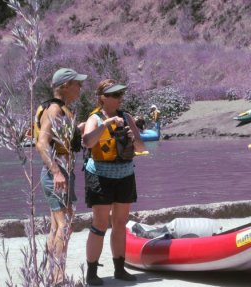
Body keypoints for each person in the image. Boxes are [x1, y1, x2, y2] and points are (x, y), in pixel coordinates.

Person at [82, 79, 145, 285]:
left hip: (125, 175)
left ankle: (119, 269)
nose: (120, 99)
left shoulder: (126, 116)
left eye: (120, 95)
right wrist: (106, 125)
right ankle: (91, 272)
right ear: (103, 98)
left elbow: (140, 147)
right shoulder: (95, 118)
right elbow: (87, 141)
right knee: (100, 223)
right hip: (100, 175)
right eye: (115, 95)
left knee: (120, 223)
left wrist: (132, 138)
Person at [35, 67, 87, 285]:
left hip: (62, 171)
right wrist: (57, 172)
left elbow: (60, 140)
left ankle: (51, 274)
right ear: (65, 86)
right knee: (65, 226)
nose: (80, 88)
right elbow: (42, 144)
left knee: (57, 226)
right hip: (57, 173)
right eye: (77, 84)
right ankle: (58, 277)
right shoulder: (55, 109)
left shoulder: (58, 108)